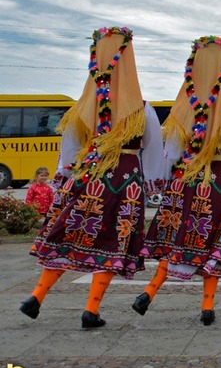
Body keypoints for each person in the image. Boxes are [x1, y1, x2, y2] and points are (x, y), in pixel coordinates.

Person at [22, 26, 163, 328]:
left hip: (87, 176)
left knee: (69, 232)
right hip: (124, 181)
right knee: (112, 242)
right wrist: (153, 182)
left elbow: (69, 148)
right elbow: (153, 148)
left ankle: (36, 296)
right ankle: (91, 310)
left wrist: (64, 177)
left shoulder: (83, 107)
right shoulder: (143, 109)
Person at [135, 36, 221, 326]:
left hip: (186, 181)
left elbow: (172, 151)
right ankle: (207, 306)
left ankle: (149, 292)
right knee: (216, 242)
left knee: (177, 238)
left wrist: (164, 180)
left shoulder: (184, 107)